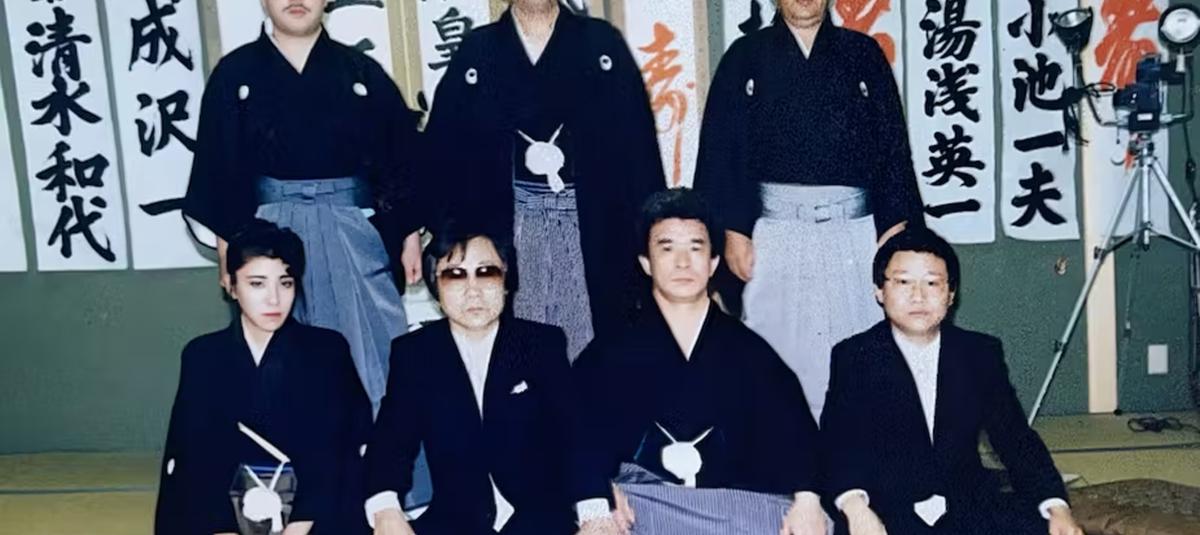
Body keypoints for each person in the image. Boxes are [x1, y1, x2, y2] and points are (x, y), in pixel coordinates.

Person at [182, 0, 422, 412]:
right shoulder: (235, 74)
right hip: (266, 232)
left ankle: (378, 447)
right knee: (275, 350)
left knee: (372, 348)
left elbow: (399, 158)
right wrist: (228, 252)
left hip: (350, 230)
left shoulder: (362, 72)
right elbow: (219, 169)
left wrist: (409, 234)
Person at [693, 0, 923, 420]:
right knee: (774, 362)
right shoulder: (746, 56)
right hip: (775, 231)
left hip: (854, 231)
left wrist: (895, 227)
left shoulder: (862, 54)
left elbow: (893, 147)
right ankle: (782, 455)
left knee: (861, 356)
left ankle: (859, 456)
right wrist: (733, 230)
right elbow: (721, 151)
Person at [572, 189, 826, 535]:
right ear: (646, 262)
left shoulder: (750, 353)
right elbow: (576, 432)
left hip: (731, 510)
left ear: (713, 263)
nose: (683, 263)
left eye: (695, 248)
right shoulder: (610, 351)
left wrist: (808, 498)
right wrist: (597, 494)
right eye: (667, 249)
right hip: (644, 507)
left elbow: (795, 433)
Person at [424, 0, 665, 360]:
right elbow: (443, 151)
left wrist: (654, 232)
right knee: (518, 348)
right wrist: (447, 230)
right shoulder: (478, 51)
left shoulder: (601, 44)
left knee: (599, 344)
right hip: (508, 227)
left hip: (592, 225)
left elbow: (638, 150)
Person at [820, 227, 1083, 535]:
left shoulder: (979, 353)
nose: (918, 296)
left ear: (950, 294)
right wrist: (855, 508)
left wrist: (1056, 507)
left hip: (966, 505)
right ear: (880, 291)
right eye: (903, 282)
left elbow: (1015, 439)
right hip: (884, 508)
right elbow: (837, 443)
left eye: (932, 283)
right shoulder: (855, 356)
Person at [155, 221, 372, 535]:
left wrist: (299, 525)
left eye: (285, 283)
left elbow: (334, 450)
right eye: (257, 284)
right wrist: (221, 528)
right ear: (231, 286)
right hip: (225, 515)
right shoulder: (203, 355)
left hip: (312, 515)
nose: (274, 299)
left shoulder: (327, 350)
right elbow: (195, 456)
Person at [363, 222, 578, 535]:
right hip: (455, 522)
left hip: (540, 522)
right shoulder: (415, 354)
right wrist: (385, 507)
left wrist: (595, 509)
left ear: (506, 279)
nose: (473, 290)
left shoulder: (541, 344)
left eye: (486, 272)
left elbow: (575, 432)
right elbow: (390, 440)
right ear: (436, 286)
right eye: (455, 275)